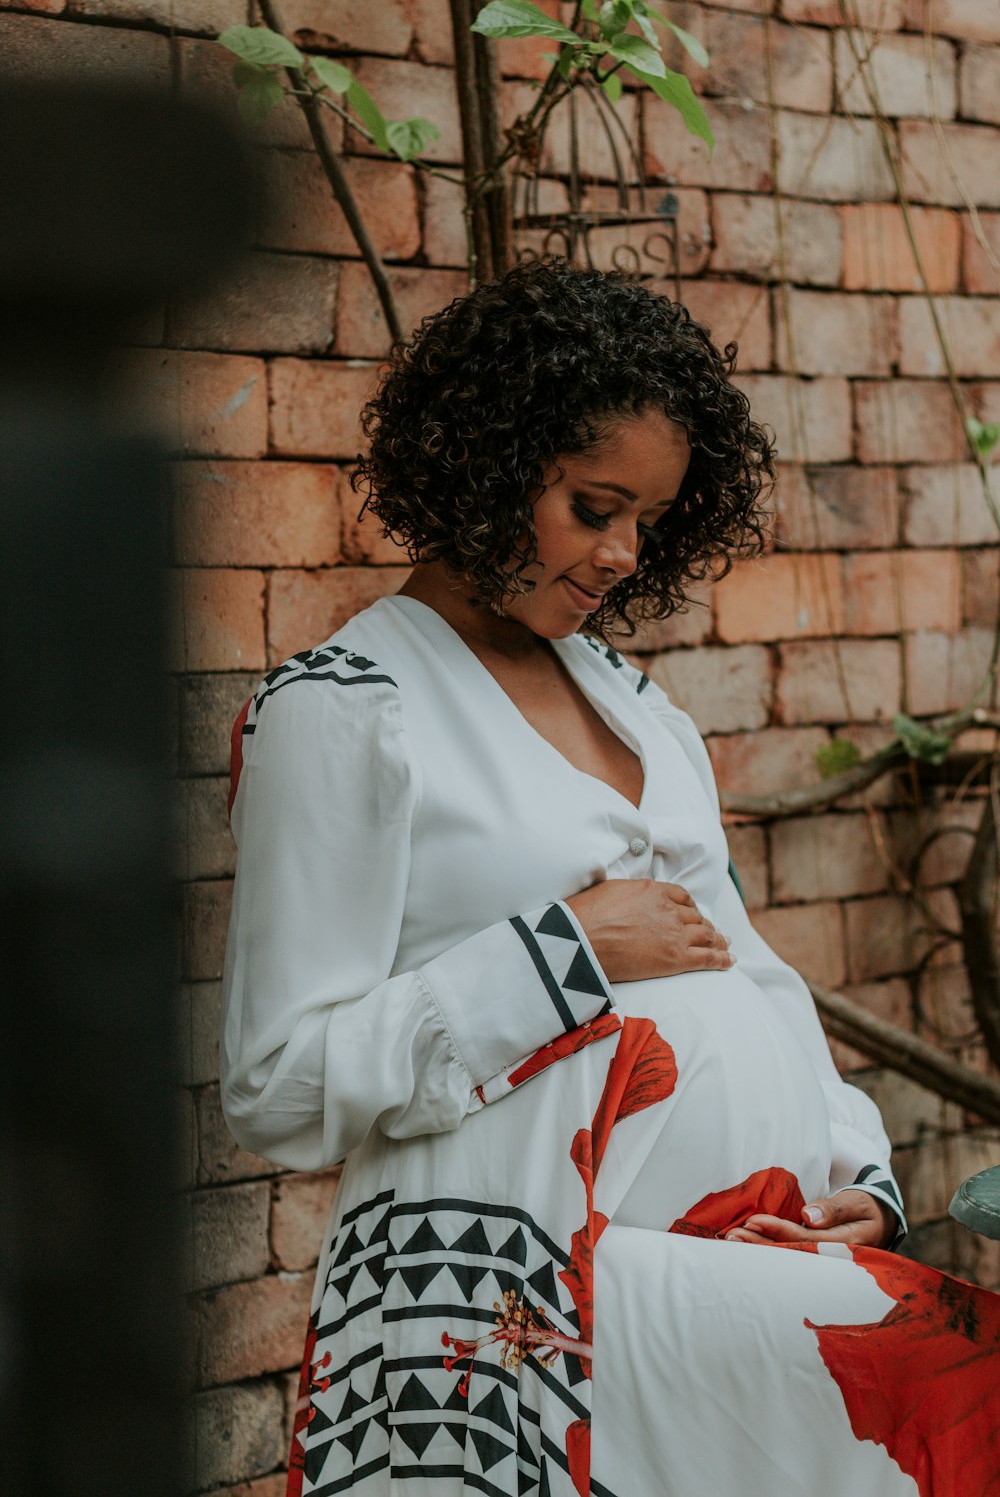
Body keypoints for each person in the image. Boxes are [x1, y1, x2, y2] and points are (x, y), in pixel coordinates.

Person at [220, 260, 999, 1497]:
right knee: (960, 1390)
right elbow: (276, 1085)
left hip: (729, 1252)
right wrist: (561, 955)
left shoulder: (641, 713)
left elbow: (753, 981)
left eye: (648, 518)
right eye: (594, 507)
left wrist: (862, 1183)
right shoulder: (349, 714)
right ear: (484, 466)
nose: (626, 552)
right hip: (528, 1284)